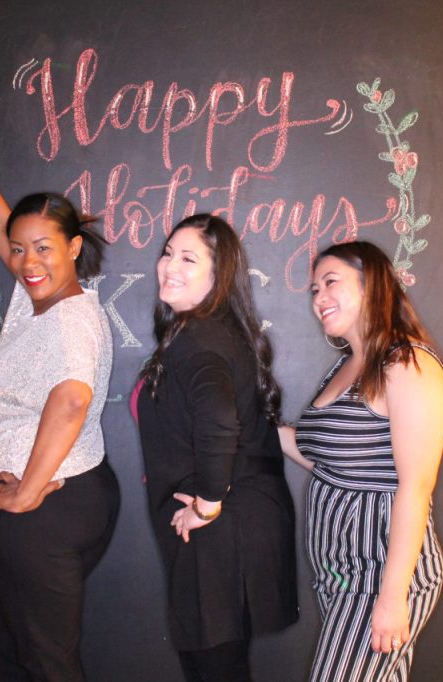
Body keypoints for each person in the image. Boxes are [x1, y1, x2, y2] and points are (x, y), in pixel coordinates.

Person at [0, 95, 120, 682]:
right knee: (1, 642)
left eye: (43, 248)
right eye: (20, 249)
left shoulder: (69, 319)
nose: (27, 261)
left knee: (46, 662)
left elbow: (73, 398)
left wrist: (29, 491)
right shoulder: (40, 300)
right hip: (68, 500)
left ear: (74, 248)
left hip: (49, 509)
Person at [133, 214, 299, 682]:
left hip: (221, 531)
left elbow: (220, 422)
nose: (170, 266)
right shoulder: (209, 331)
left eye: (188, 258)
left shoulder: (200, 339)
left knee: (214, 669)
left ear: (218, 274)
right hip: (230, 527)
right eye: (168, 253)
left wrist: (206, 505)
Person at [278, 241, 443, 682]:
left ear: (371, 285)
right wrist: (257, 427)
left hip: (380, 577)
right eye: (314, 289)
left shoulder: (406, 363)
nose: (319, 298)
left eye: (330, 282)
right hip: (340, 573)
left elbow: (415, 487)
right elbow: (332, 464)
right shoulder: (347, 365)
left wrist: (392, 598)